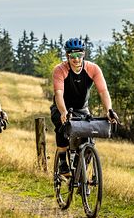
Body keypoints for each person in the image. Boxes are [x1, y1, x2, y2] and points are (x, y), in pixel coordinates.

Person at [50, 37, 117, 175]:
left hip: (82, 108)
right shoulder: (60, 70)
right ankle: (62, 160)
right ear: (67, 55)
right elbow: (58, 93)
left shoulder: (93, 69)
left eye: (79, 55)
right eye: (72, 55)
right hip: (62, 106)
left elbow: (103, 91)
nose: (76, 59)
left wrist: (109, 110)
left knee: (88, 133)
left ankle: (81, 171)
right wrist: (63, 112)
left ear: (83, 54)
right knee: (62, 125)